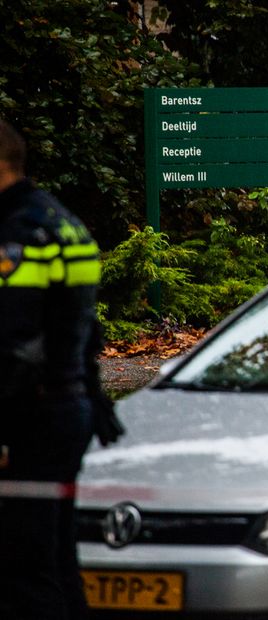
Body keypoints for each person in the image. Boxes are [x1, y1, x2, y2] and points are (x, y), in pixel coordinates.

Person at [0, 118, 103, 619]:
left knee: (24, 569)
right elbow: (86, 333)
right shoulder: (64, 220)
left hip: (32, 416)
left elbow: (14, 345)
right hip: (69, 407)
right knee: (59, 560)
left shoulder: (17, 231)